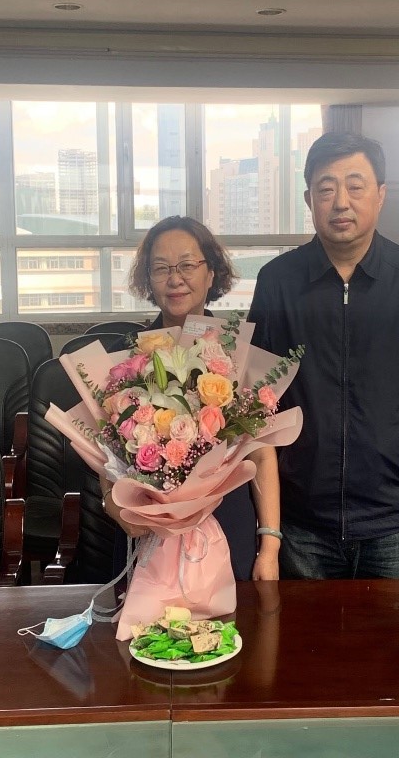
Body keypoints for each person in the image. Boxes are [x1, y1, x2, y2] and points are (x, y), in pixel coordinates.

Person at [247, 132, 399, 579]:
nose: (340, 202)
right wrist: (269, 526)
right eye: (326, 188)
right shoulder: (277, 282)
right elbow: (257, 404)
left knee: (394, 628)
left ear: (380, 195)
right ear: (309, 199)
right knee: (301, 629)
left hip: (392, 520)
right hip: (302, 519)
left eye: (355, 186)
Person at [100, 215, 281, 581]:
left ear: (211, 273)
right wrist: (113, 506)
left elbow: (262, 454)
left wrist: (270, 547)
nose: (175, 279)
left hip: (227, 522)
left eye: (187, 265)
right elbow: (105, 452)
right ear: (147, 280)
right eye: (161, 268)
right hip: (148, 529)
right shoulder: (126, 358)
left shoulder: (238, 352)